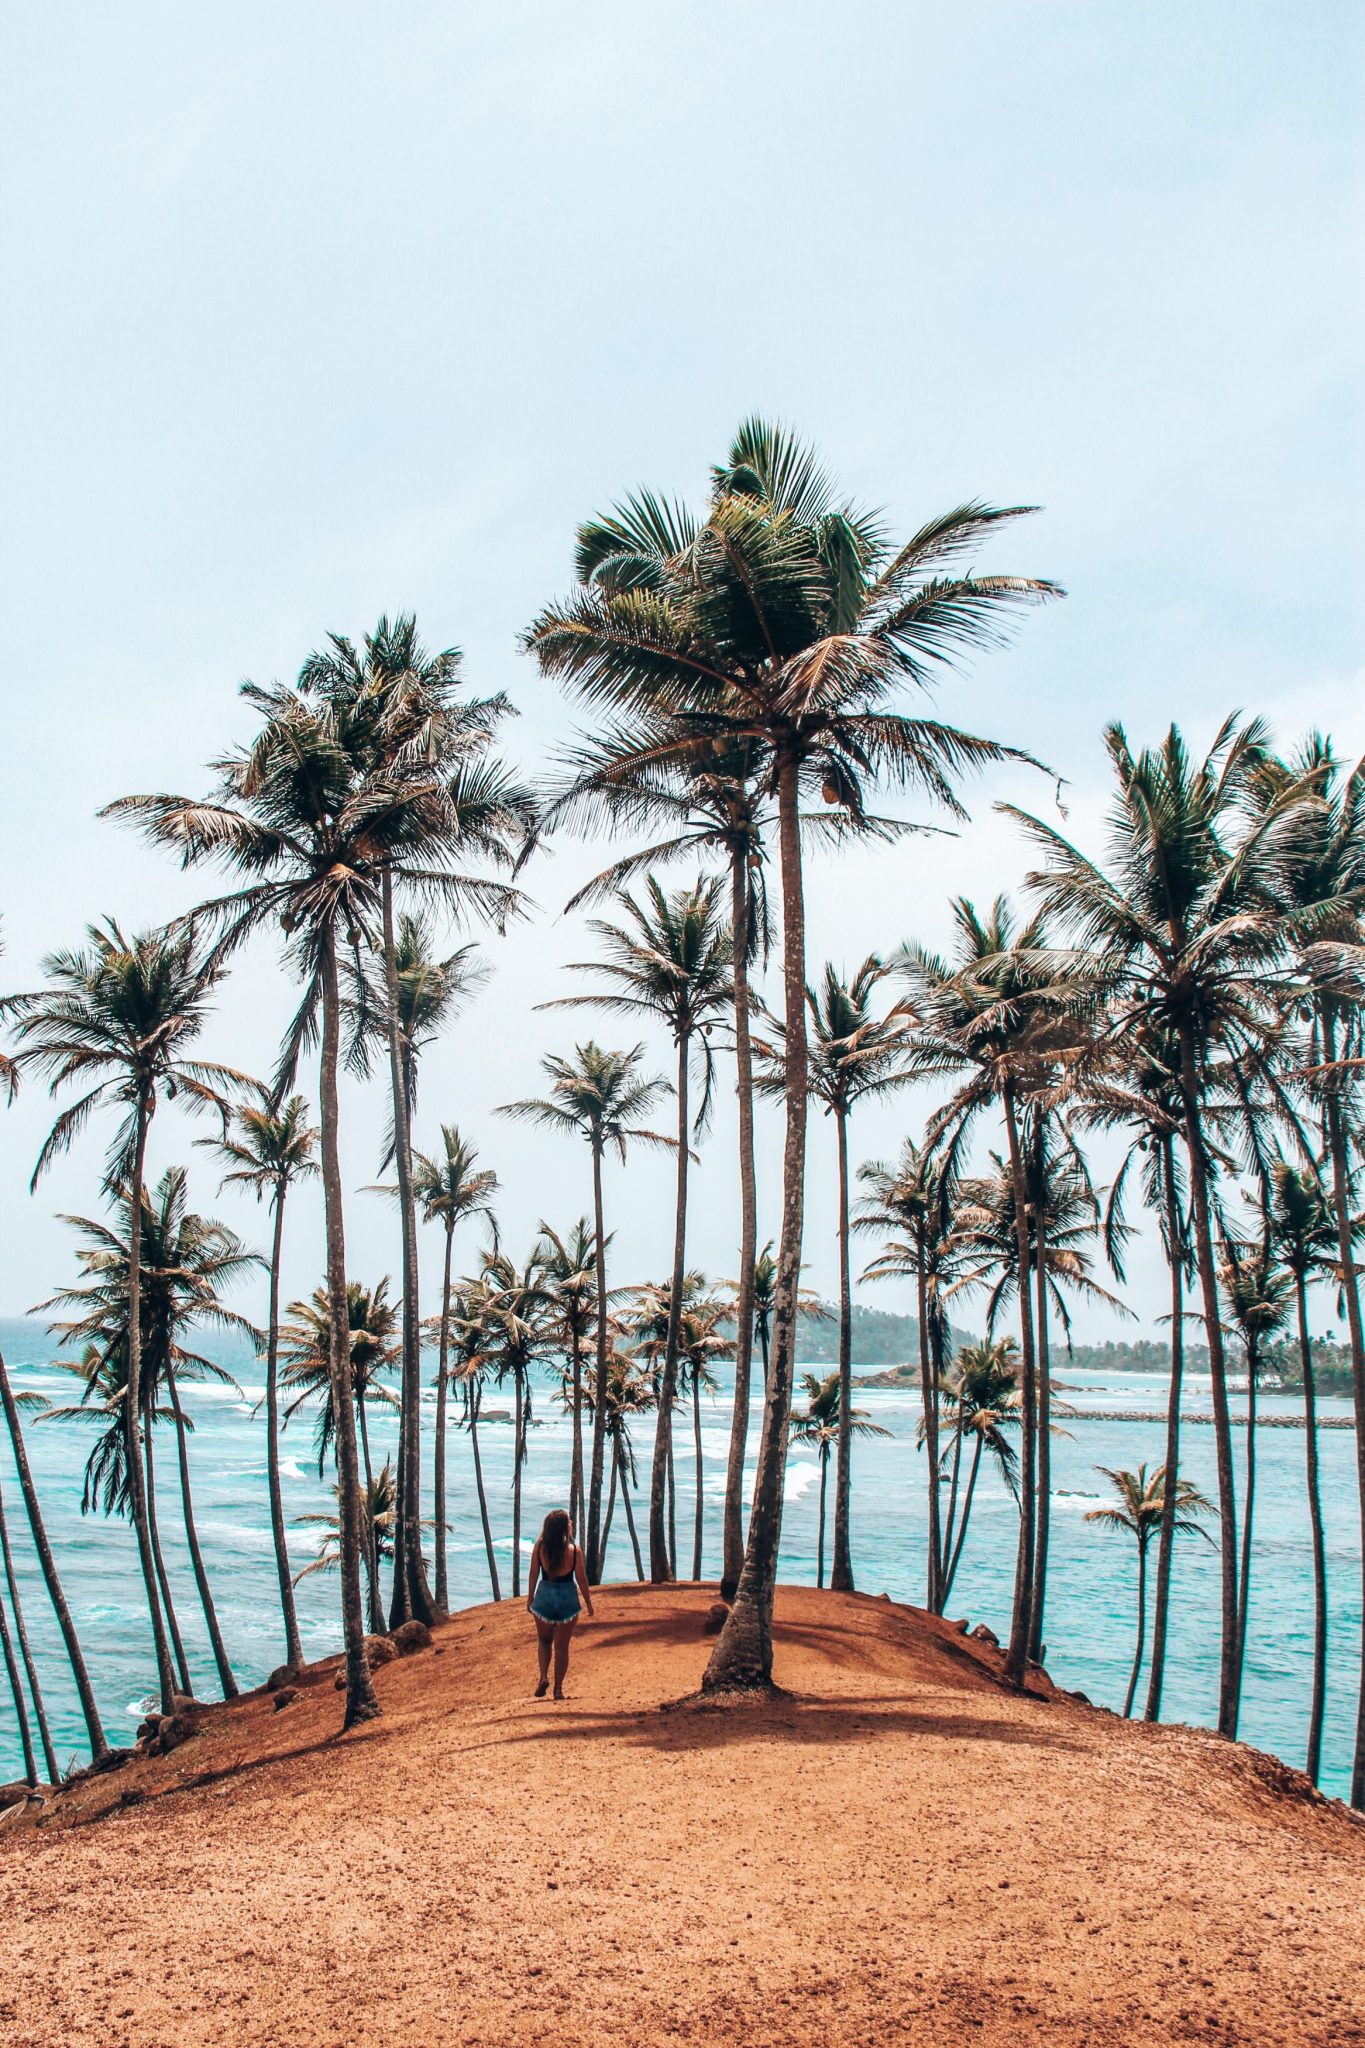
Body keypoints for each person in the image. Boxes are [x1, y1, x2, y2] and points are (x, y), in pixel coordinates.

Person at [526, 1507, 593, 1699]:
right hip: (567, 1597)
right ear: (564, 1528)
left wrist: (530, 1598)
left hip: (545, 1594)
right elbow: (581, 1578)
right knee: (562, 1647)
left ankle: (543, 1677)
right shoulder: (575, 1550)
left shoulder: (540, 1547)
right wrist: (588, 1603)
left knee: (544, 1640)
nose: (571, 1524)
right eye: (569, 1522)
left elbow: (533, 1574)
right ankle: (558, 1689)